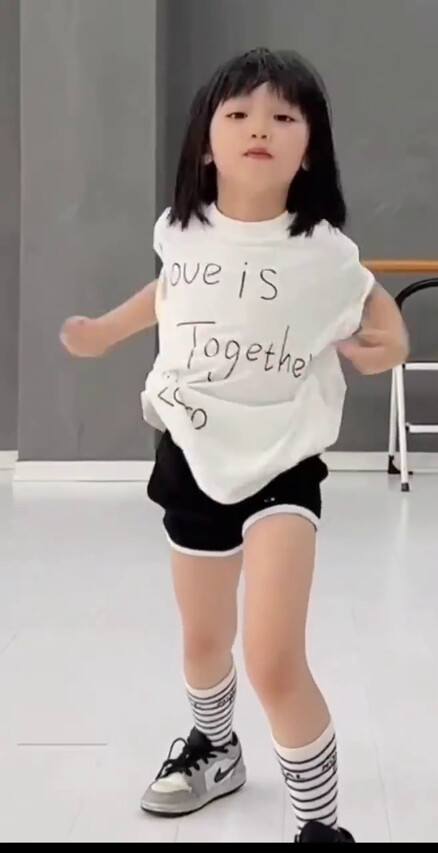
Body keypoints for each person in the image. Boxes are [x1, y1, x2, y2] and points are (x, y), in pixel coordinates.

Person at [60, 47, 409, 844]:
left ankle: (319, 825)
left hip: (284, 462)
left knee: (275, 658)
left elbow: (376, 306)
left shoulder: (324, 252)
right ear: (207, 143)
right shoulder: (180, 232)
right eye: (240, 114)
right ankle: (215, 746)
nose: (261, 128)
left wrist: (388, 344)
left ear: (309, 149)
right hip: (191, 450)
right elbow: (170, 291)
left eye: (284, 116)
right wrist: (107, 331)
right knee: (203, 640)